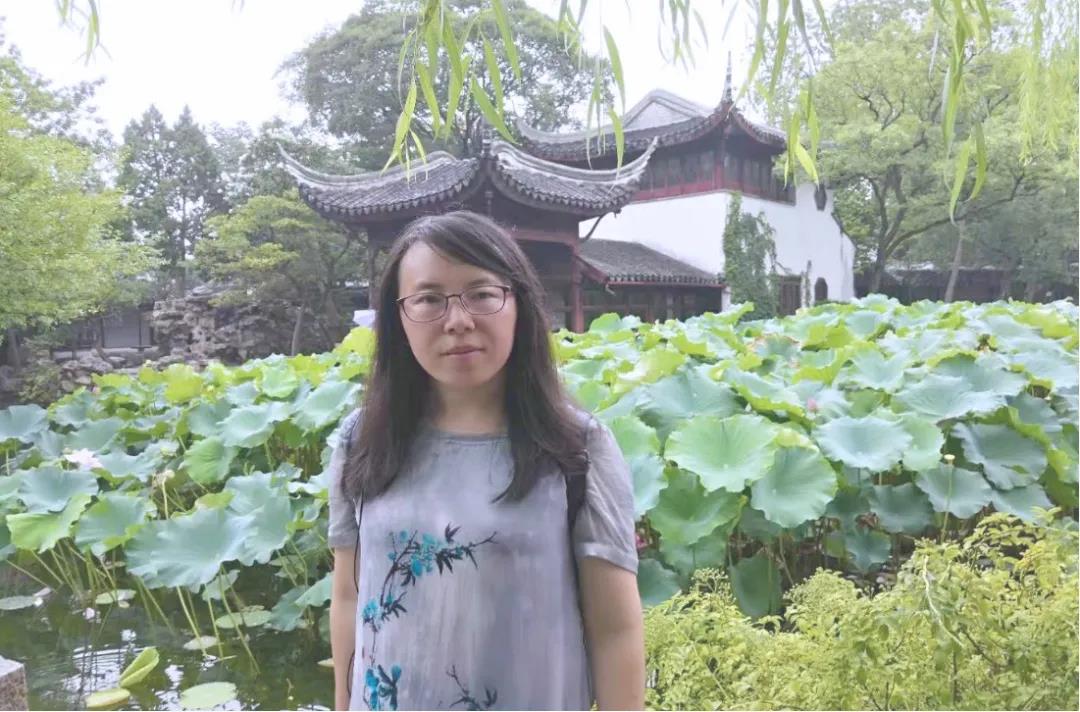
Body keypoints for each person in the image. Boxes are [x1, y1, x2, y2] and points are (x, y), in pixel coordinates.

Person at [326, 211, 644, 711]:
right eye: (429, 299)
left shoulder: (576, 448)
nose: (458, 321)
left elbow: (615, 632)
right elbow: (348, 596)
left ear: (519, 304)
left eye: (481, 293)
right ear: (398, 317)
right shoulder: (360, 440)